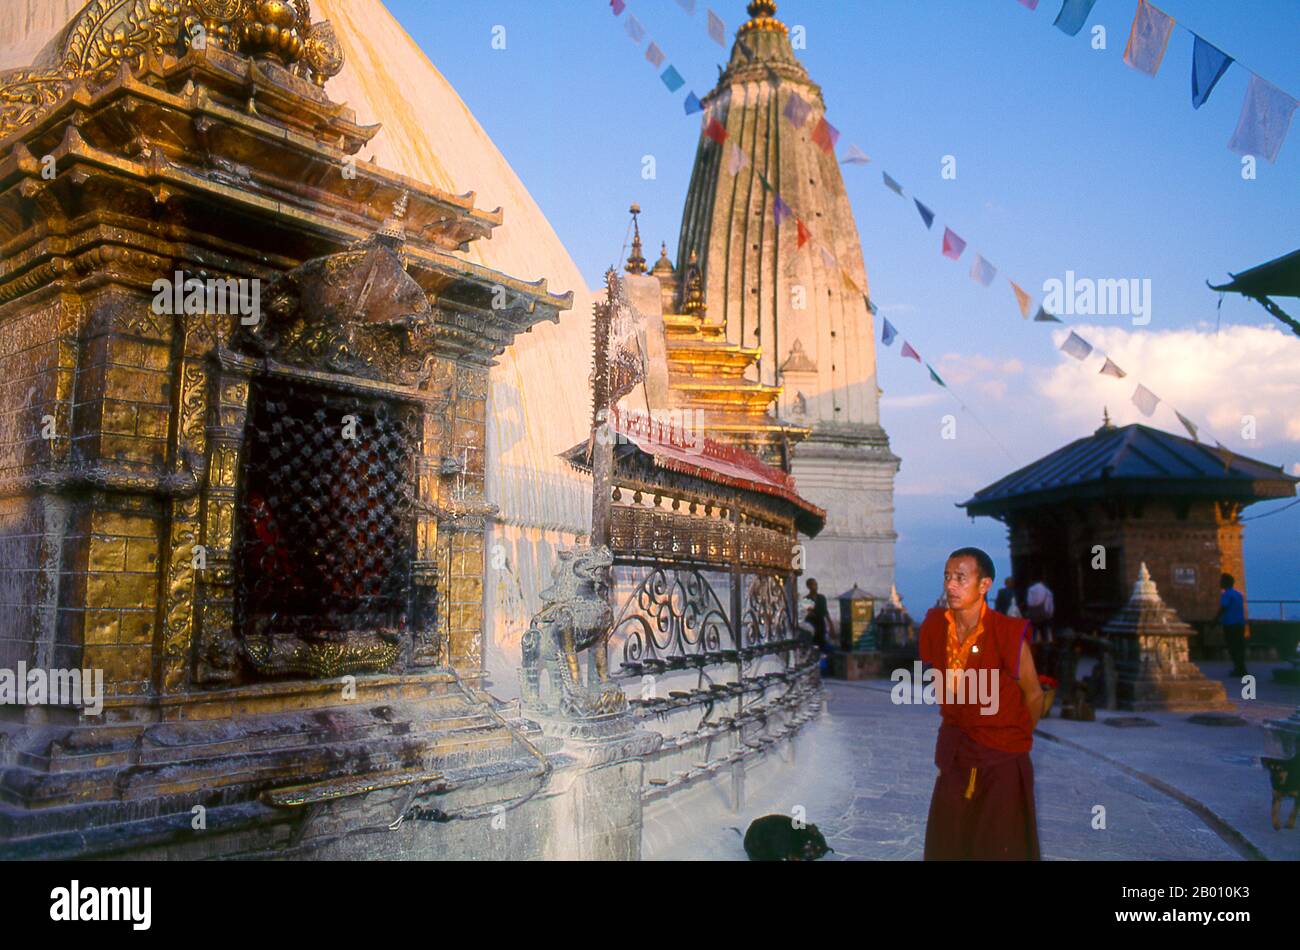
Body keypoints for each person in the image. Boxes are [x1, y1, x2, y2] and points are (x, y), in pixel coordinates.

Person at [919, 547, 1044, 860]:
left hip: (1001, 756)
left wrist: (1012, 737)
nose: (951, 585)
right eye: (947, 577)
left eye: (961, 578)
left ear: (984, 585)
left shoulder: (1006, 632)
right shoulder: (936, 625)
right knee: (948, 838)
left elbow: (1034, 695)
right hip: (956, 750)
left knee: (998, 841)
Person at [1214, 572, 1249, 678]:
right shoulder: (1239, 595)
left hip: (1230, 624)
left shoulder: (1226, 595)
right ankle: (1241, 668)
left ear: (1226, 583)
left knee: (1232, 647)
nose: (1220, 583)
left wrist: (1214, 620)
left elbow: (1223, 608)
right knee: (1239, 646)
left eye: (1221, 581)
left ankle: (1238, 669)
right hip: (1240, 623)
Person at [804, 578, 834, 652]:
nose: (815, 586)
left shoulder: (821, 598)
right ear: (808, 586)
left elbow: (825, 611)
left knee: (823, 643)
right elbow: (808, 612)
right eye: (813, 585)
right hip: (812, 624)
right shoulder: (806, 599)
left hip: (821, 623)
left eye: (815, 584)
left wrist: (831, 624)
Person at [1024, 575, 1054, 644]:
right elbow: (1049, 605)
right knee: (1044, 630)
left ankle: (1034, 644)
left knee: (1034, 629)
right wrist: (1050, 614)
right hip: (1044, 614)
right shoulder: (1047, 591)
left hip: (1033, 614)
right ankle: (1046, 645)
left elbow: (1029, 602)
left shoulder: (1031, 589)